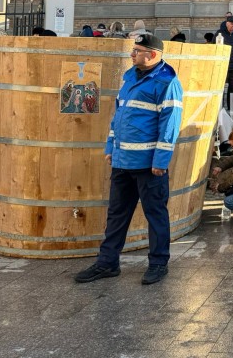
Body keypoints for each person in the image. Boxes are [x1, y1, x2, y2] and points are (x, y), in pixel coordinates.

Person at [75, 34, 183, 285]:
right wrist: (111, 146)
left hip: (148, 165)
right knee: (116, 214)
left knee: (155, 214)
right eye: (132, 50)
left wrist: (161, 161)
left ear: (152, 55)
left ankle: (158, 263)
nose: (131, 54)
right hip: (123, 161)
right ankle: (107, 263)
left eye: (137, 50)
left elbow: (170, 125)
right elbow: (118, 116)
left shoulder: (167, 82)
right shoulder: (130, 77)